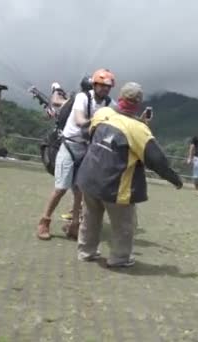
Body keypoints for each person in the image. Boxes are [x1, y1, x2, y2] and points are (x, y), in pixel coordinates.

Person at [76, 82, 183, 267]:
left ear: (120, 97)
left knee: (90, 218)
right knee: (124, 225)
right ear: (139, 103)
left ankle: (86, 252)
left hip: (90, 177)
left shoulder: (103, 113)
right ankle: (119, 258)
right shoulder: (139, 130)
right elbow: (157, 160)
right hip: (115, 186)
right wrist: (175, 179)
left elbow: (88, 133)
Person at [36, 68, 115, 240]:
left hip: (87, 149)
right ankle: (44, 221)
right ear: (94, 85)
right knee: (61, 188)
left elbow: (120, 118)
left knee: (81, 190)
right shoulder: (82, 97)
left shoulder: (109, 103)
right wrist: (99, 121)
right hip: (70, 145)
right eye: (101, 85)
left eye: (108, 86)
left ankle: (74, 225)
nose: (105, 89)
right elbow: (80, 121)